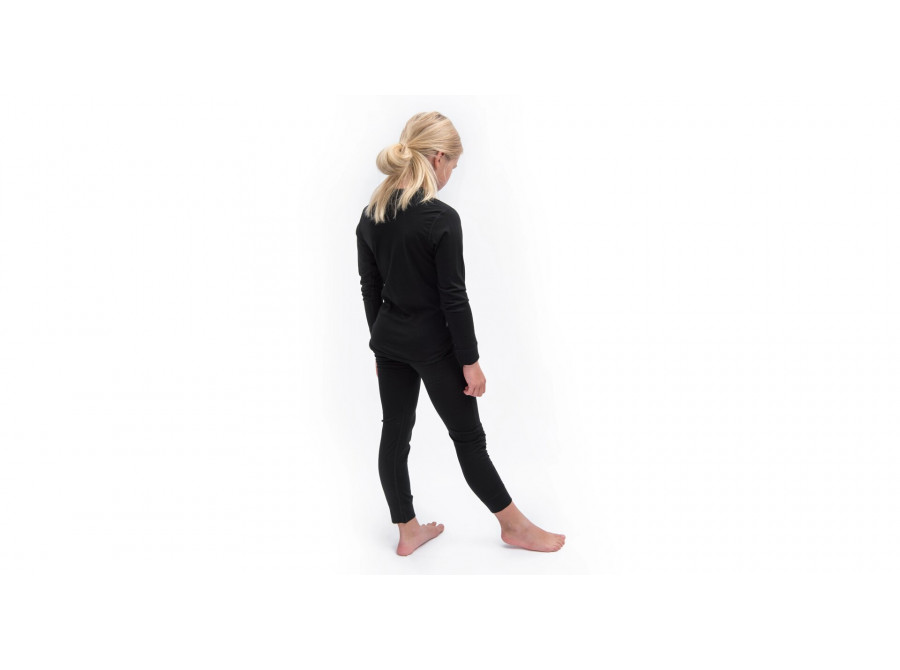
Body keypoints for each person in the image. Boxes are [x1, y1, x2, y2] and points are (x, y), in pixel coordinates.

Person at [356, 111, 565, 556]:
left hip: (389, 343)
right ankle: (514, 527)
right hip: (434, 348)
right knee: (469, 439)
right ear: (438, 157)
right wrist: (469, 361)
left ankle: (407, 531)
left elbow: (369, 288)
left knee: (395, 433)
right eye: (452, 163)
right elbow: (454, 298)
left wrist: (379, 347)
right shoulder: (440, 218)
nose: (451, 172)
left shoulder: (371, 214)